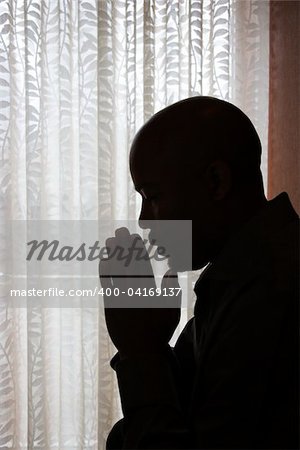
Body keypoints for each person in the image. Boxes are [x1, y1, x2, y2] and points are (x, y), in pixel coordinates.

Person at [99, 96, 299, 449]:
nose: (144, 220)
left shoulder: (273, 291)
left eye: (153, 196)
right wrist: (152, 347)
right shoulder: (236, 279)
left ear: (216, 181)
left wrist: (141, 351)